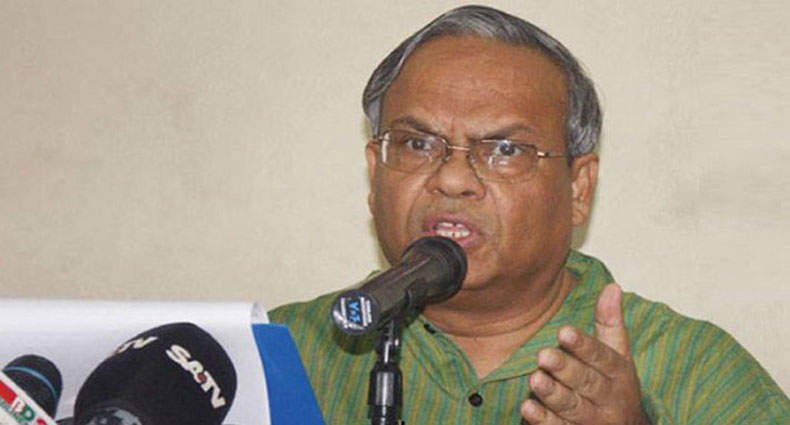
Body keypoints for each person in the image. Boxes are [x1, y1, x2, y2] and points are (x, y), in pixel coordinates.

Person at [270, 5, 790, 424]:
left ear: (578, 188)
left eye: (505, 150)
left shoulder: (693, 367)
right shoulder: (278, 353)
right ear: (375, 172)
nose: (452, 179)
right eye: (417, 143)